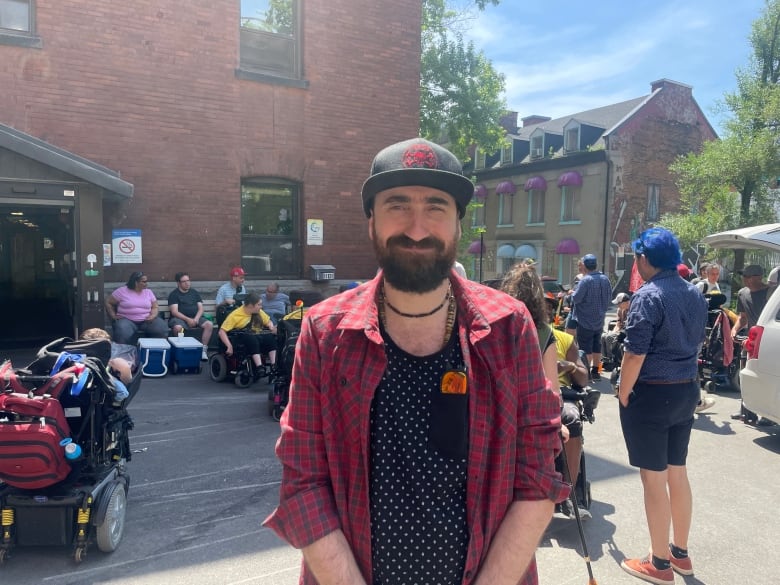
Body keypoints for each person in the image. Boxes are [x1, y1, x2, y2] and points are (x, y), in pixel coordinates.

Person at [264, 137, 568, 585]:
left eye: (436, 208)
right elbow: (304, 481)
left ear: (459, 225)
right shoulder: (325, 331)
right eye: (397, 205)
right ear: (370, 221)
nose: (418, 228)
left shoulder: (510, 327)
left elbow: (538, 474)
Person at [617, 227, 708, 585]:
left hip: (653, 393)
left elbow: (635, 351)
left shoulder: (647, 296)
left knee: (653, 479)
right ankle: (679, 554)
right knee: (677, 472)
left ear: (643, 259)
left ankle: (658, 563)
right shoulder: (694, 293)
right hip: (686, 388)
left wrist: (624, 392)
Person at [501, 264, 590, 520]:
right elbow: (550, 387)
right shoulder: (544, 332)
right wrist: (554, 422)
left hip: (501, 406)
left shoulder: (496, 323)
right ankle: (567, 492)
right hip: (532, 408)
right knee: (569, 422)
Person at [730, 265, 771, 425]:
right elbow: (743, 317)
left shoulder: (771, 293)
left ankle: (768, 414)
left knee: (764, 377)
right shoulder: (742, 293)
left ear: (758, 277)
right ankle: (746, 410)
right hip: (751, 341)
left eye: (748, 276)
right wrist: (735, 329)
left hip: (767, 342)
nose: (744, 279)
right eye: (744, 276)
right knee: (747, 375)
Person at [218, 292, 277, 381]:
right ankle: (259, 366)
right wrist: (229, 346)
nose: (261, 307)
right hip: (241, 338)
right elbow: (221, 331)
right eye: (259, 305)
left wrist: (271, 326)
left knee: (270, 337)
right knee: (251, 338)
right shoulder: (235, 315)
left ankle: (274, 365)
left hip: (256, 335)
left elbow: (268, 321)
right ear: (250, 305)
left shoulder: (258, 312)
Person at [571, 253, 612, 380]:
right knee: (596, 346)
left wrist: (570, 294)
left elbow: (577, 298)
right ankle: (596, 371)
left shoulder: (586, 280)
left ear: (585, 266)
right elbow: (609, 298)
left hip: (585, 319)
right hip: (599, 318)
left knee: (585, 348)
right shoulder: (605, 279)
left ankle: (586, 373)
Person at [105, 271, 168, 344]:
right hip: (127, 320)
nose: (146, 284)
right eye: (144, 282)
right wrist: (113, 315)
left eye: (147, 281)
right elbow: (108, 302)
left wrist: (153, 316)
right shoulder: (122, 291)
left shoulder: (148, 292)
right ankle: (123, 352)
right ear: (136, 282)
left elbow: (155, 307)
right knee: (122, 330)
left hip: (146, 320)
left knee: (161, 328)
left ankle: (157, 350)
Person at [168, 272, 214, 361]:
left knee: (209, 324)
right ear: (178, 283)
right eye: (184, 281)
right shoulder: (174, 294)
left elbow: (201, 309)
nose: (187, 283)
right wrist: (188, 319)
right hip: (179, 319)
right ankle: (181, 350)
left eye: (188, 280)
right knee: (178, 328)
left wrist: (196, 319)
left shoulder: (194, 292)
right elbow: (175, 312)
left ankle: (203, 350)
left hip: (195, 317)